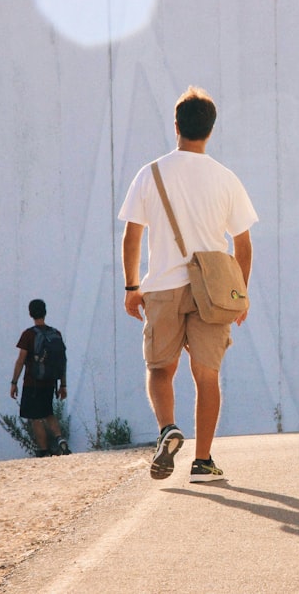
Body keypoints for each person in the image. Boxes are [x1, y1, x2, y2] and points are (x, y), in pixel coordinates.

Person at [119, 86, 258, 483]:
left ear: (176, 125)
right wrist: (240, 293)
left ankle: (167, 429)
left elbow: (132, 235)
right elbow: (243, 243)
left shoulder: (151, 173)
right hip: (213, 291)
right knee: (206, 375)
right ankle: (202, 461)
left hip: (162, 285)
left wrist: (132, 287)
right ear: (211, 131)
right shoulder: (226, 178)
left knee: (160, 368)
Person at [10, 299, 70, 457]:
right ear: (45, 312)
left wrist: (14, 382)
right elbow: (62, 361)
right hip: (51, 381)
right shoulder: (55, 333)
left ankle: (43, 450)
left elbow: (20, 360)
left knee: (35, 417)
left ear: (30, 313)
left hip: (33, 383)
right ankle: (60, 440)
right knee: (49, 412)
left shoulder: (28, 334)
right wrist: (63, 385)